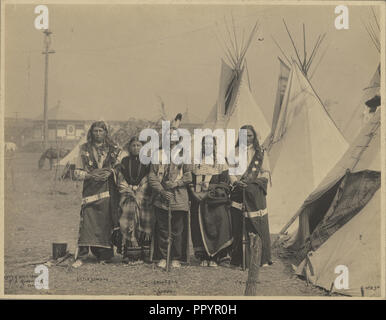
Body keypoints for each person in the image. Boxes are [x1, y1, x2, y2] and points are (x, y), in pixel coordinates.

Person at [72, 121, 122, 268]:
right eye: (95, 131)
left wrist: (109, 173)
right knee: (87, 221)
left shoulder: (114, 149)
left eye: (101, 131)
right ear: (91, 133)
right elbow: (76, 172)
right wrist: (91, 175)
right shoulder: (84, 149)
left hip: (108, 190)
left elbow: (120, 169)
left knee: (105, 222)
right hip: (90, 191)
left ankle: (104, 255)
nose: (98, 133)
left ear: (106, 132)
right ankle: (82, 255)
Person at [148, 118, 192, 270]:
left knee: (177, 230)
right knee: (162, 229)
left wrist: (176, 184)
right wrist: (161, 190)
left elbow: (188, 176)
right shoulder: (158, 154)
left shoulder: (184, 154)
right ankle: (162, 256)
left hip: (178, 197)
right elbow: (152, 176)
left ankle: (176, 257)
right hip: (161, 197)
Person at [228, 124, 273, 268]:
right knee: (238, 224)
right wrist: (236, 182)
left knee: (257, 223)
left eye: (250, 136)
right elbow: (231, 172)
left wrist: (255, 183)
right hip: (238, 192)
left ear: (254, 137)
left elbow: (266, 172)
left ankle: (261, 258)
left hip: (255, 193)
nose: (247, 139)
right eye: (244, 135)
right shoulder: (233, 152)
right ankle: (239, 259)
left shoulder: (261, 153)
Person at [189, 135, 233, 268]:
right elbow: (190, 181)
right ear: (201, 145)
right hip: (198, 200)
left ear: (214, 146)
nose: (207, 146)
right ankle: (203, 256)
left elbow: (225, 183)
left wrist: (210, 190)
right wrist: (194, 193)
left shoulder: (220, 161)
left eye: (210, 144)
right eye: (205, 144)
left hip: (214, 201)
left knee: (215, 227)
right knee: (198, 227)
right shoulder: (196, 161)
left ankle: (216, 257)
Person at [113, 136, 152, 264]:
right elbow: (120, 178)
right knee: (128, 220)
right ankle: (129, 255)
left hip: (143, 196)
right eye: (133, 145)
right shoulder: (124, 161)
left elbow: (148, 178)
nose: (136, 148)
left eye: (138, 145)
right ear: (129, 147)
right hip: (127, 195)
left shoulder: (148, 161)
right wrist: (128, 190)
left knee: (143, 220)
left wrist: (140, 191)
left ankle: (143, 254)